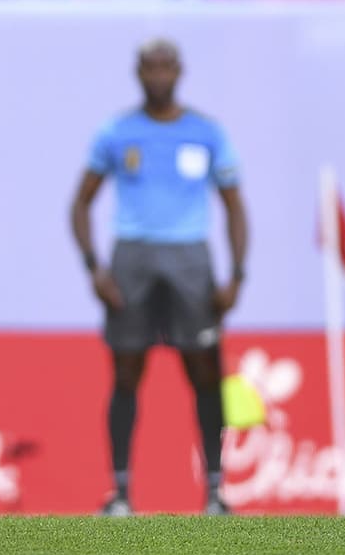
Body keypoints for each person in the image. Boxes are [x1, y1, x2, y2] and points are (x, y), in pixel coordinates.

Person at [69, 39, 248, 517]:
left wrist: (237, 275)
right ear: (138, 72)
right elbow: (80, 203)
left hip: (191, 256)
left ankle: (214, 490)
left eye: (166, 67)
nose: (158, 75)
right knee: (126, 372)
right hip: (133, 257)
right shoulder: (117, 131)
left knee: (205, 372)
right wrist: (94, 267)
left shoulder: (207, 133)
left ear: (179, 71)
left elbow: (234, 207)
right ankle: (121, 492)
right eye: (150, 67)